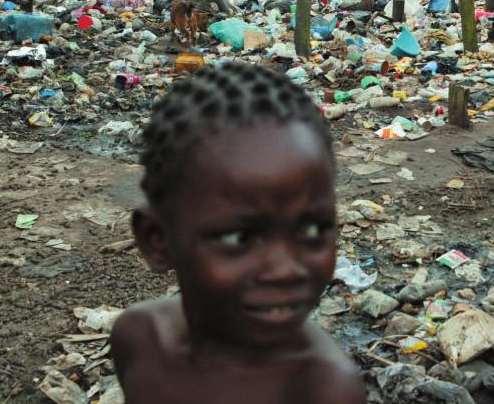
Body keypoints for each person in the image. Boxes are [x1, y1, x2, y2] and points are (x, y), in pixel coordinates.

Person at [111, 63, 366, 404]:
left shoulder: (322, 390)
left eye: (312, 230)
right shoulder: (139, 339)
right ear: (157, 241)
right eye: (240, 239)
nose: (285, 269)